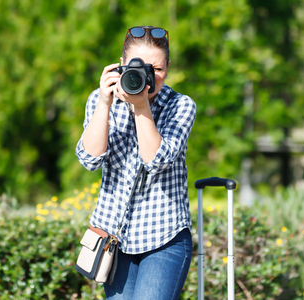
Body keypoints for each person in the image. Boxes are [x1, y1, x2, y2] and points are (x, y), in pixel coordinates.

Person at [75, 25, 197, 300]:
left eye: (158, 69)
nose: (149, 77)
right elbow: (89, 159)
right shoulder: (99, 99)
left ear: (168, 67)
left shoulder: (181, 106)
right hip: (115, 239)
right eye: (139, 67)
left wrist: (141, 107)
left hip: (165, 236)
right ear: (121, 65)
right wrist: (104, 104)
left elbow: (157, 160)